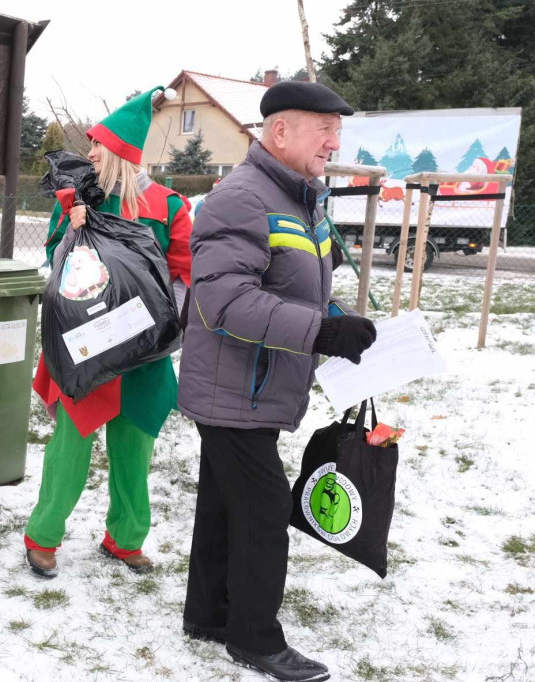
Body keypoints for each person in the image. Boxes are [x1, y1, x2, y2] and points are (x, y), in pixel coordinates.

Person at [176, 81, 377, 682]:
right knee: (263, 512)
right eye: (325, 130)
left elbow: (294, 288)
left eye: (338, 131)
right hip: (236, 389)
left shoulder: (301, 197)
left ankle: (208, 615)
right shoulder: (241, 198)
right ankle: (256, 639)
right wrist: (320, 333)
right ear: (281, 132)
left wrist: (338, 321)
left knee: (223, 504)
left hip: (256, 385)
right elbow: (224, 300)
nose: (334, 142)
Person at [24, 86, 193, 579]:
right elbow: (54, 269)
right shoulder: (76, 198)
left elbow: (183, 275)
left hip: (142, 350)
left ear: (120, 151)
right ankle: (44, 535)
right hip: (88, 347)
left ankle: (126, 538)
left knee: (135, 446)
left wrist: (163, 331)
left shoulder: (169, 206)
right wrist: (74, 228)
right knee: (70, 447)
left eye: (98, 144)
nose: (90, 151)